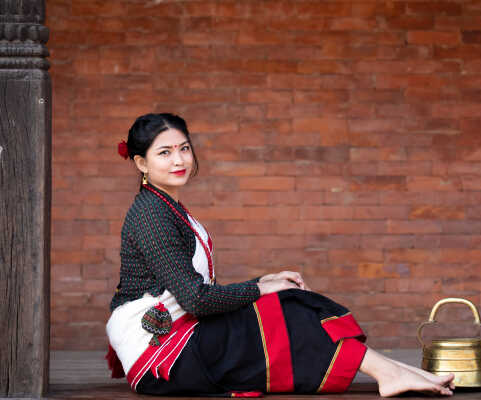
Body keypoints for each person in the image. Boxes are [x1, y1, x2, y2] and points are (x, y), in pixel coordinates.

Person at [106, 113, 455, 397]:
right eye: (164, 153)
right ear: (141, 163)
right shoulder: (151, 213)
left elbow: (195, 295)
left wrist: (264, 282)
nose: (179, 160)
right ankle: (390, 372)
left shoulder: (167, 207)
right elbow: (196, 299)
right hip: (162, 356)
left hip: (183, 335)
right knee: (283, 310)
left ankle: (393, 371)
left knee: (287, 300)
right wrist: (261, 289)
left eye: (184, 148)